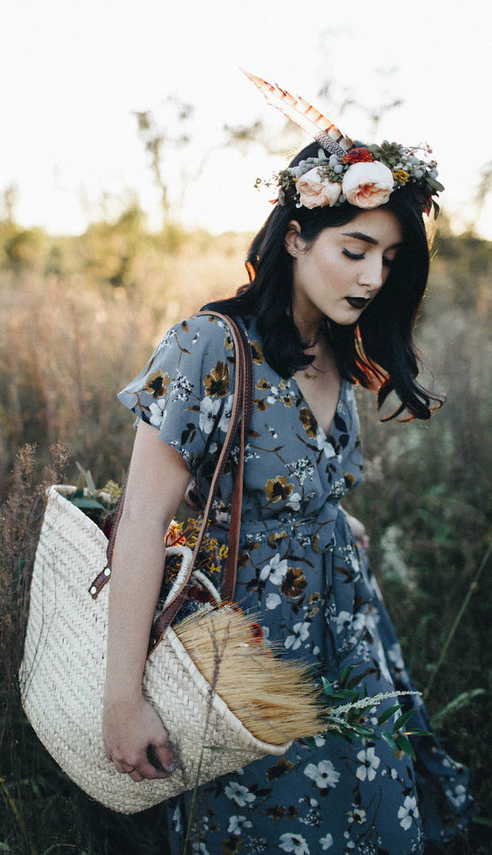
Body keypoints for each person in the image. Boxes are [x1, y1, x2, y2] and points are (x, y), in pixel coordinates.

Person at [102, 123, 476, 853]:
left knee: (374, 809)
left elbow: (298, 480)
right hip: (249, 649)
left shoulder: (336, 347)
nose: (373, 278)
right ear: (297, 237)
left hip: (347, 632)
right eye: (355, 251)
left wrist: (331, 520)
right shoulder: (207, 345)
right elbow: (142, 521)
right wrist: (123, 699)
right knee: (270, 825)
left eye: (389, 259)